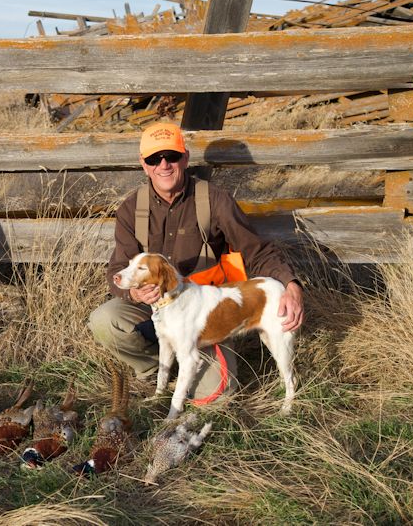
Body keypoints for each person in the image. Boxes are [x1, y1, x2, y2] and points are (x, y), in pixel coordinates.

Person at [89, 122, 304, 404]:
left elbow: (257, 250)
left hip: (206, 317)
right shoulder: (131, 209)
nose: (164, 165)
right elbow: (117, 270)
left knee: (216, 398)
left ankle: (193, 364)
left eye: (172, 156)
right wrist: (134, 293)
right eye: (154, 159)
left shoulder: (214, 200)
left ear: (185, 158)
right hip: (155, 310)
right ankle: (161, 369)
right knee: (105, 321)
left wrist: (291, 285)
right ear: (144, 165)